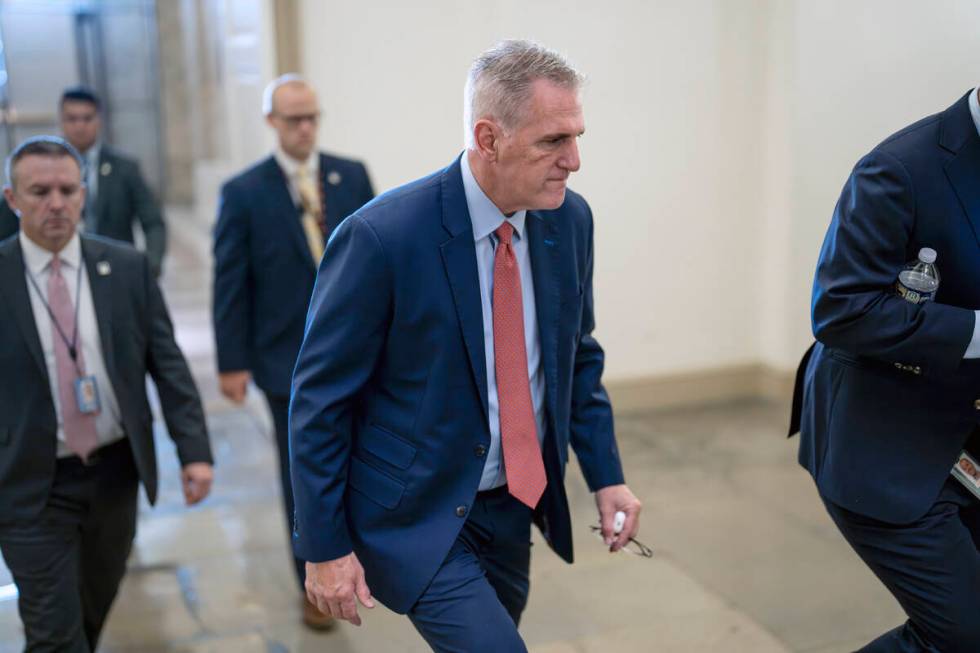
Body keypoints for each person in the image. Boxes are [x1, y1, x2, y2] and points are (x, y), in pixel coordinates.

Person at [290, 40, 641, 652]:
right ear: (489, 137)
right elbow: (319, 402)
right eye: (552, 141)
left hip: (515, 504)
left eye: (577, 136)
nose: (575, 160)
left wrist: (606, 474)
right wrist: (324, 547)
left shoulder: (569, 222)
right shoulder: (382, 237)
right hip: (417, 512)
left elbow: (576, 360)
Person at [0, 136, 214, 652]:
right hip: (30, 482)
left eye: (67, 190)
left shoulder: (125, 268)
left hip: (115, 475)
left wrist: (195, 452)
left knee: (90, 611)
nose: (55, 203)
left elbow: (167, 365)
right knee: (54, 633)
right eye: (39, 191)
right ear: (11, 198)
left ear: (84, 192)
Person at [790, 85, 980, 652]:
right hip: (884, 443)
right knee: (964, 636)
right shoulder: (899, 168)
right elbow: (843, 309)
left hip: (966, 434)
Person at [211, 74, 374, 630]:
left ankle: (362, 558)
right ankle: (314, 576)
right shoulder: (244, 192)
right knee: (302, 471)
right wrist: (231, 360)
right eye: (292, 119)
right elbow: (229, 282)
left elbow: (381, 263)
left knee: (361, 458)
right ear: (272, 123)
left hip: (357, 352)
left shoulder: (350, 176)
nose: (304, 128)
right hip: (285, 359)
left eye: (311, 117)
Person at [0, 87, 167, 277]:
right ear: (61, 120)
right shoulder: (36, 168)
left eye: (87, 118)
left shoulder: (125, 168)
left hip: (114, 270)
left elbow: (152, 221)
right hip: (51, 269)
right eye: (72, 119)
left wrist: (151, 266)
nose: (80, 126)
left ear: (99, 120)